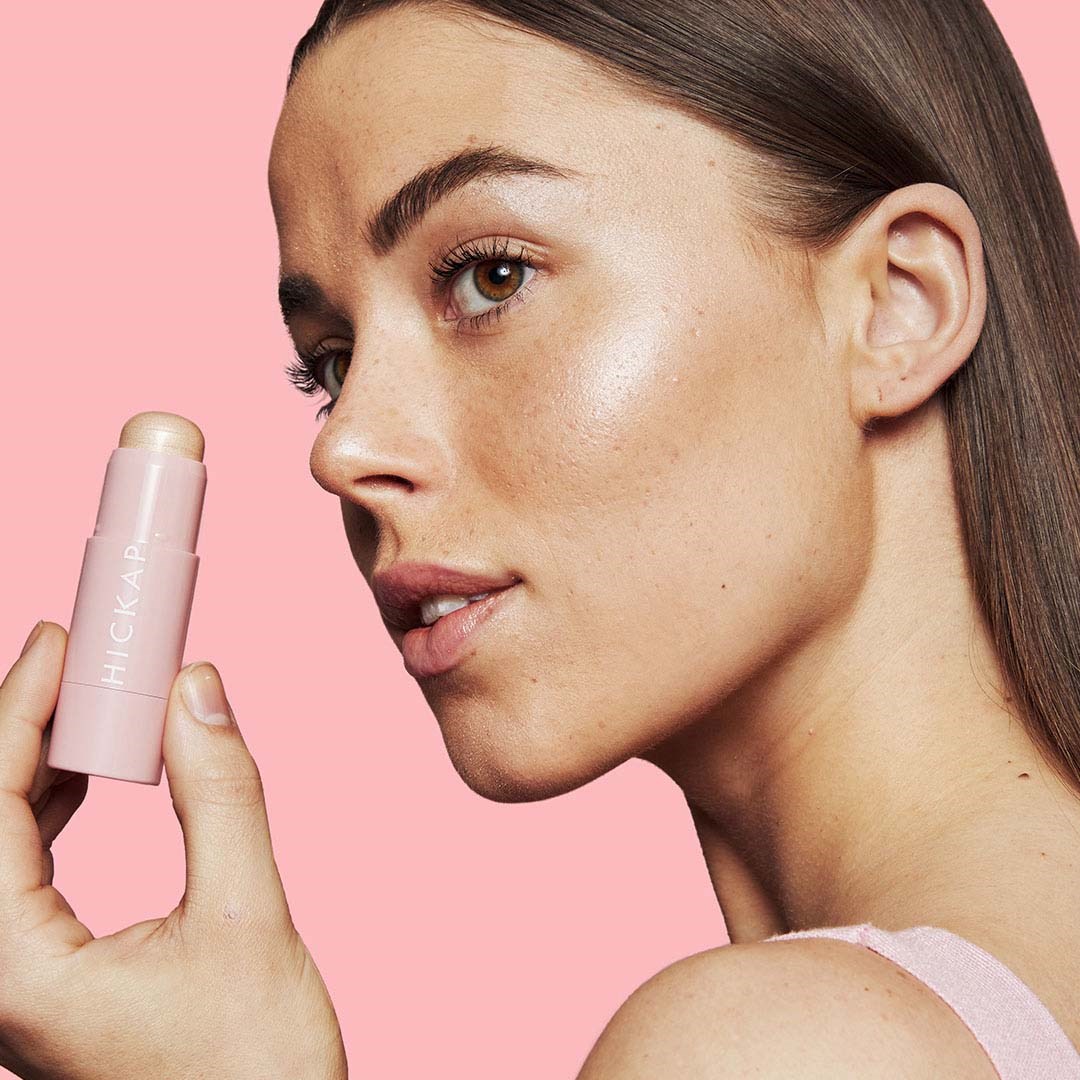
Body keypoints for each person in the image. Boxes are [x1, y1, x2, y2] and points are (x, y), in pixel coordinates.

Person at [2, 1, 1078, 1076]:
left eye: (491, 277)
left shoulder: (781, 1047)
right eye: (331, 361)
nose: (344, 449)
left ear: (899, 304)